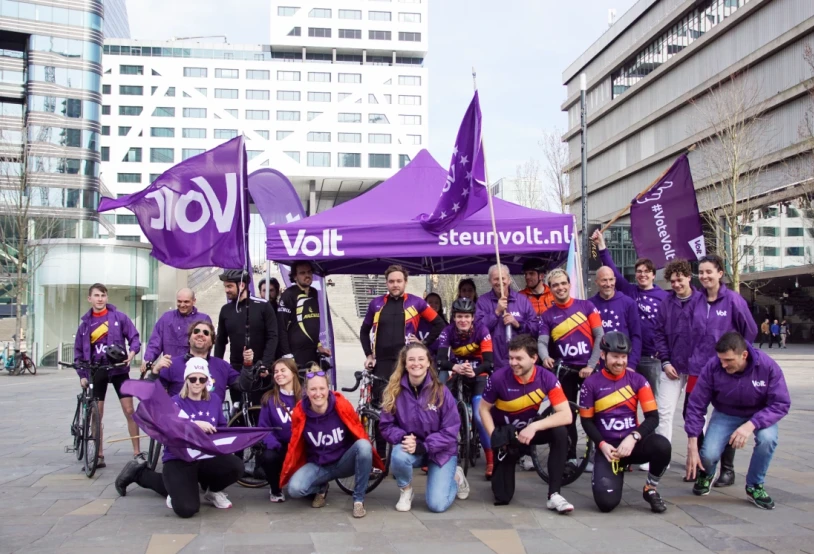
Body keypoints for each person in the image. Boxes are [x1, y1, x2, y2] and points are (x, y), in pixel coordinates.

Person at [113, 358, 244, 517]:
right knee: (186, 509)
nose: (197, 382)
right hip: (178, 458)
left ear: (207, 381)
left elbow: (221, 427)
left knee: (236, 466)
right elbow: (171, 428)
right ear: (186, 380)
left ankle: (212, 490)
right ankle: (140, 474)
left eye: (202, 379)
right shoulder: (174, 402)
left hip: (204, 456)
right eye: (192, 378)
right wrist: (195, 425)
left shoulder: (214, 400)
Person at [685, 332, 790, 510]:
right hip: (726, 412)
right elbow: (696, 404)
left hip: (759, 414)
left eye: (729, 360)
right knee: (708, 454)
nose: (724, 365)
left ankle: (754, 485)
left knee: (768, 439)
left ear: (744, 355)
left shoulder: (767, 366)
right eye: (721, 360)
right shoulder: (713, 366)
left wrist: (751, 425)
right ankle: (707, 474)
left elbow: (781, 403)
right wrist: (692, 441)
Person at [479, 334, 574, 513]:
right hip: (507, 435)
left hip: (530, 430)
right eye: (511, 358)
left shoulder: (547, 378)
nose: (513, 363)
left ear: (533, 358)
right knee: (502, 497)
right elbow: (483, 409)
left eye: (519, 358)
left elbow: (566, 415)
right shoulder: (498, 378)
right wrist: (494, 437)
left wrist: (535, 426)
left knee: (560, 432)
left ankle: (554, 494)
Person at [687, 255, 758, 487]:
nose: (705, 276)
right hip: (698, 368)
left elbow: (750, 331)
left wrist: (739, 360)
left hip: (726, 368)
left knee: (728, 414)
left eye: (709, 271)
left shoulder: (734, 301)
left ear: (720, 273)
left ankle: (727, 470)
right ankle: (704, 463)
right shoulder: (696, 301)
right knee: (691, 412)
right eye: (702, 272)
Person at [579, 331, 670, 513]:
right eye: (615, 357)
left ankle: (650, 489)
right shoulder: (590, 384)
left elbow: (653, 417)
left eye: (623, 357)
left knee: (662, 445)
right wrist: (602, 445)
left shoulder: (638, 380)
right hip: (608, 449)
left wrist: (633, 437)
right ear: (603, 355)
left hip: (631, 444)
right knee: (606, 504)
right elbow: (586, 422)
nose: (620, 362)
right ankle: (615, 469)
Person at [280, 368, 385, 518]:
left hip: (343, 462)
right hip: (318, 465)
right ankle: (321, 486)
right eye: (313, 389)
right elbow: (295, 443)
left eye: (322, 388)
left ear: (328, 389)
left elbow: (357, 431)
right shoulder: (300, 412)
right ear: (306, 391)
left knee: (364, 445)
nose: (318, 393)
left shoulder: (340, 404)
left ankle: (358, 500)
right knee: (294, 490)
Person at [379, 343, 470, 512]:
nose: (416, 363)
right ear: (405, 364)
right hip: (412, 448)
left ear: (428, 363)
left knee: (437, 505)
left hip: (441, 452)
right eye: (411, 359)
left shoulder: (442, 392)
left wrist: (425, 446)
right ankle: (406, 490)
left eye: (421, 359)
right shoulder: (394, 391)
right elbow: (386, 425)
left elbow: (450, 431)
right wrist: (403, 437)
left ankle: (456, 476)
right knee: (398, 454)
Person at [538, 268, 604, 468]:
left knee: (594, 413)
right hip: (565, 370)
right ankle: (570, 455)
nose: (560, 288)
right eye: (555, 285)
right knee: (567, 414)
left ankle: (598, 454)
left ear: (569, 284)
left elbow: (600, 337)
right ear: (550, 289)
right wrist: (545, 356)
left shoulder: (587, 306)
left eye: (563, 283)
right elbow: (541, 342)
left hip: (589, 369)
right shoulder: (547, 315)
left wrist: (591, 366)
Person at [591, 230, 668, 397]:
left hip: (650, 356)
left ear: (653, 275)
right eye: (639, 271)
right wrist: (602, 246)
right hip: (625, 356)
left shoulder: (664, 297)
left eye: (647, 271)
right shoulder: (629, 292)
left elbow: (670, 326)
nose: (643, 275)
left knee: (652, 401)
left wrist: (665, 354)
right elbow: (612, 272)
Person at [74, 283, 141, 467]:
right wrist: (82, 374)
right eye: (96, 295)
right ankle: (99, 454)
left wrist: (132, 353)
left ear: (107, 297)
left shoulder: (119, 317)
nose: (100, 298)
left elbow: (135, 338)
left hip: (119, 369)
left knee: (129, 411)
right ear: (90, 298)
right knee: (97, 414)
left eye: (103, 295)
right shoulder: (85, 325)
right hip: (97, 371)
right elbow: (78, 353)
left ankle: (137, 452)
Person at [360, 265, 445, 404]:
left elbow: (439, 324)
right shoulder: (376, 303)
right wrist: (368, 355)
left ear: (405, 282)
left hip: (406, 362)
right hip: (381, 363)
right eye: (391, 281)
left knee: (405, 404)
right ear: (386, 282)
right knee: (379, 406)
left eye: (399, 281)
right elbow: (364, 331)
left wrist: (423, 343)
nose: (395, 285)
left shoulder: (417, 302)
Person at [652, 260, 703, 469]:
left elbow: (707, 336)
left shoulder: (703, 302)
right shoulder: (666, 303)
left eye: (679, 279)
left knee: (697, 414)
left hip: (696, 369)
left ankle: (699, 457)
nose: (676, 284)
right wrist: (664, 361)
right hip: (671, 366)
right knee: (663, 411)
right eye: (672, 281)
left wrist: (700, 365)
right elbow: (659, 333)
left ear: (689, 277)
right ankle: (662, 458)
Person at [436, 297, 495, 479]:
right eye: (459, 316)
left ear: (472, 318)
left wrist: (474, 371)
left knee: (478, 415)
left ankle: (491, 459)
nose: (463, 320)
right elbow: (440, 360)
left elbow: (489, 364)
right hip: (457, 371)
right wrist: (454, 367)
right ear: (454, 317)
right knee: (443, 411)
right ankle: (438, 452)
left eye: (467, 317)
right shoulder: (447, 332)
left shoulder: (482, 330)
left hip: (478, 373)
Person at [214, 269, 278, 402]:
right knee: (238, 413)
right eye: (225, 286)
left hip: (260, 369)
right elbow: (220, 341)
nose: (226, 290)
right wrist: (216, 366)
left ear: (242, 285)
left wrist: (265, 364)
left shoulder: (263, 306)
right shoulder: (225, 310)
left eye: (229, 286)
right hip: (236, 370)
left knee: (259, 411)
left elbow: (272, 337)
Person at [146, 321, 239, 403]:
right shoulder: (172, 364)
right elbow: (148, 395)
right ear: (189, 339)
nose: (200, 334)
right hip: (180, 421)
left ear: (212, 341)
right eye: (196, 331)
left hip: (213, 421)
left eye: (206, 333)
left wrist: (248, 365)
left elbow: (244, 386)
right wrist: (155, 373)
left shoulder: (223, 366)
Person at [475, 263, 537, 371]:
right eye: (495, 279)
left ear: (509, 280)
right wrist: (496, 312)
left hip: (519, 363)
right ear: (490, 282)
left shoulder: (522, 301)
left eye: (502, 278)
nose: (499, 282)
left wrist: (518, 324)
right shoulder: (482, 301)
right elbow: (477, 330)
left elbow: (535, 329)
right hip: (494, 362)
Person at [257, 358, 301, 502]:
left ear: (293, 373)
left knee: (305, 493)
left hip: (300, 448)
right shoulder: (269, 398)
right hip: (280, 447)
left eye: (283, 370)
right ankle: (275, 489)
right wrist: (274, 444)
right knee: (268, 457)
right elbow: (264, 427)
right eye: (276, 372)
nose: (278, 374)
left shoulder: (304, 397)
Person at [277, 261, 331, 368]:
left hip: (312, 351)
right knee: (298, 384)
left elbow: (313, 323)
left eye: (309, 272)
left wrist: (319, 346)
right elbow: (281, 328)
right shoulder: (288, 295)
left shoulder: (314, 292)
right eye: (302, 273)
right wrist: (287, 355)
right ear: (295, 276)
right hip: (295, 353)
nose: (307, 275)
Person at [141, 288, 211, 372]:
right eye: (179, 301)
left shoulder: (203, 319)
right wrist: (148, 359)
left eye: (186, 302)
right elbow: (155, 342)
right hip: (169, 369)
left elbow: (208, 345)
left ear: (194, 301)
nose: (182, 305)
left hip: (194, 371)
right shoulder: (166, 318)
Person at [589, 266, 642, 370]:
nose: (608, 284)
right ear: (596, 282)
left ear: (615, 280)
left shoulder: (628, 303)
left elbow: (636, 336)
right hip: (597, 366)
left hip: (621, 364)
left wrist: (631, 364)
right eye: (604, 280)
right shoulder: (589, 305)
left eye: (611, 280)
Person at [418, 292, 447, 359]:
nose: (433, 305)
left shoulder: (445, 325)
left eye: (436, 303)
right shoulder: (418, 323)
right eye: (430, 302)